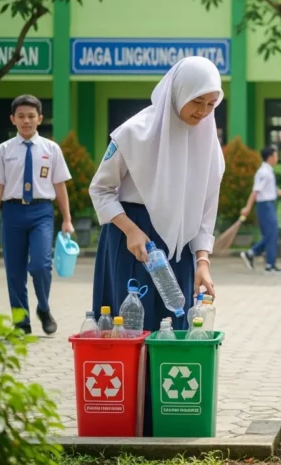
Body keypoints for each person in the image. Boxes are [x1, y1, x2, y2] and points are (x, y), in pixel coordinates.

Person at [89, 56, 225, 436]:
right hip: (132, 241)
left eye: (211, 104)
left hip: (178, 248)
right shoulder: (133, 133)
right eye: (197, 101)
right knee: (131, 326)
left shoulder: (208, 145)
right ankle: (127, 417)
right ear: (178, 92)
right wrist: (131, 229)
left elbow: (205, 210)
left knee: (173, 329)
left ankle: (168, 416)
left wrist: (203, 260)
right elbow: (99, 189)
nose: (203, 112)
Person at [0, 94, 74, 335]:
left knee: (41, 265)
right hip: (12, 211)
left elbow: (60, 185)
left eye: (31, 116)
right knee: (14, 271)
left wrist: (66, 219)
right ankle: (21, 322)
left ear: (40, 118)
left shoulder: (51, 149)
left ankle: (43, 308)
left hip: (41, 211)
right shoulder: (4, 150)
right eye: (21, 116)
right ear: (13, 119)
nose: (26, 121)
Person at [240, 146, 281, 274]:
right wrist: (247, 207)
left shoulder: (268, 171)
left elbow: (272, 190)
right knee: (272, 234)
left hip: (269, 204)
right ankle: (270, 265)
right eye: (276, 155)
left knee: (270, 235)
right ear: (270, 157)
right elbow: (256, 191)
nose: (277, 158)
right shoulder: (263, 172)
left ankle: (251, 253)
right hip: (265, 206)